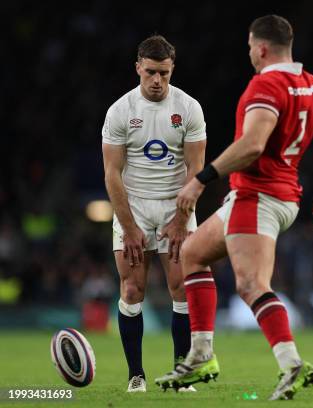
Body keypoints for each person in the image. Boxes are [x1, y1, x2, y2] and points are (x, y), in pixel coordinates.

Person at [154, 15, 313, 400]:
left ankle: (291, 364)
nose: (249, 53)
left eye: (249, 47)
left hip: (257, 196)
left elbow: (252, 146)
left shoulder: (266, 85)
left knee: (250, 285)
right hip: (281, 196)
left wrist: (200, 179)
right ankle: (201, 355)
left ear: (260, 47)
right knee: (192, 253)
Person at [102, 35, 207, 392]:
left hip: (177, 204)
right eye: (150, 72)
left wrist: (181, 218)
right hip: (133, 207)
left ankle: (181, 374)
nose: (157, 80)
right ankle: (136, 376)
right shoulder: (120, 111)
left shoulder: (189, 108)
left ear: (172, 68)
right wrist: (129, 226)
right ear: (138, 69)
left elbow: (197, 169)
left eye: (163, 72)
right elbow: (112, 173)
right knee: (132, 289)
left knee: (182, 288)